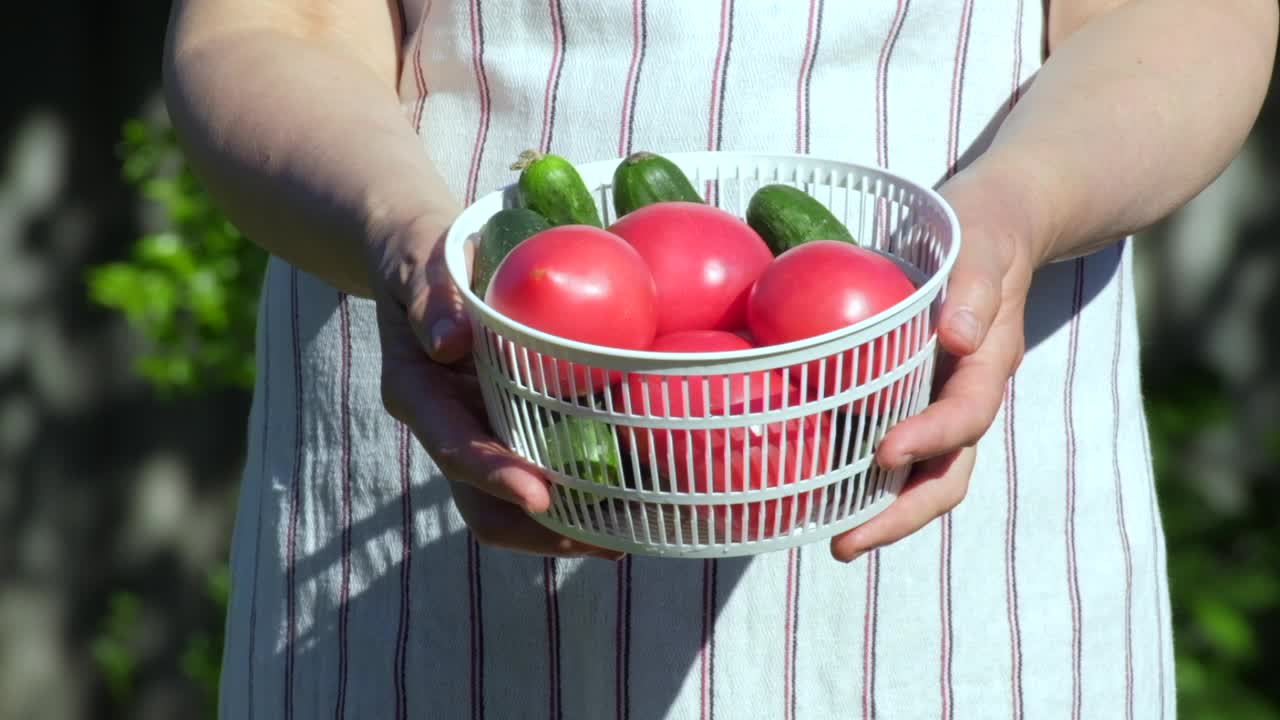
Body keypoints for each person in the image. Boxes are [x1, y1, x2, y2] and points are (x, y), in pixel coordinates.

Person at [163, 0, 1276, 717]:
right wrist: (405, 239)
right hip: (459, 426)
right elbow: (269, 26)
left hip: (958, 485)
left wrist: (1017, 214)